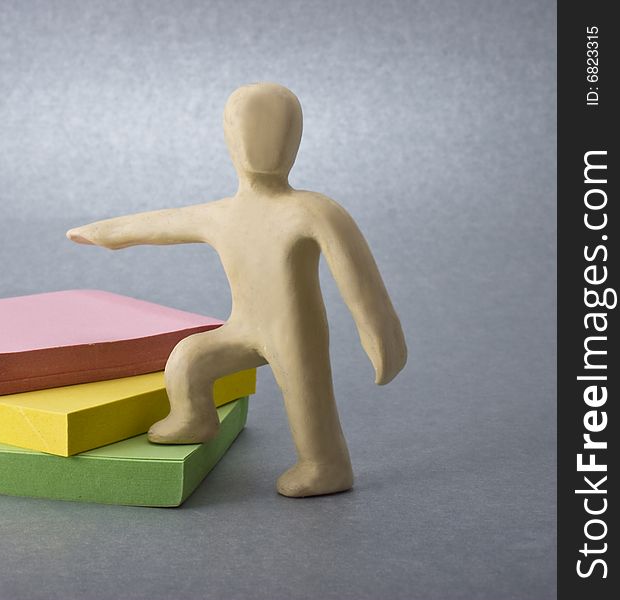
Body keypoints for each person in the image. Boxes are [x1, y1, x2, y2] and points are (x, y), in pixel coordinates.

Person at [67, 83, 406, 497]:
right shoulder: (222, 214)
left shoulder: (313, 211)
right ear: (230, 137)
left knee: (305, 399)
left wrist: (381, 336)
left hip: (294, 335)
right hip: (242, 328)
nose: (261, 143)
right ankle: (195, 418)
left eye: (275, 131)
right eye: (249, 130)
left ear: (294, 140)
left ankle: (325, 464)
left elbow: (359, 284)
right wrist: (103, 232)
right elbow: (159, 224)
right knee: (189, 358)